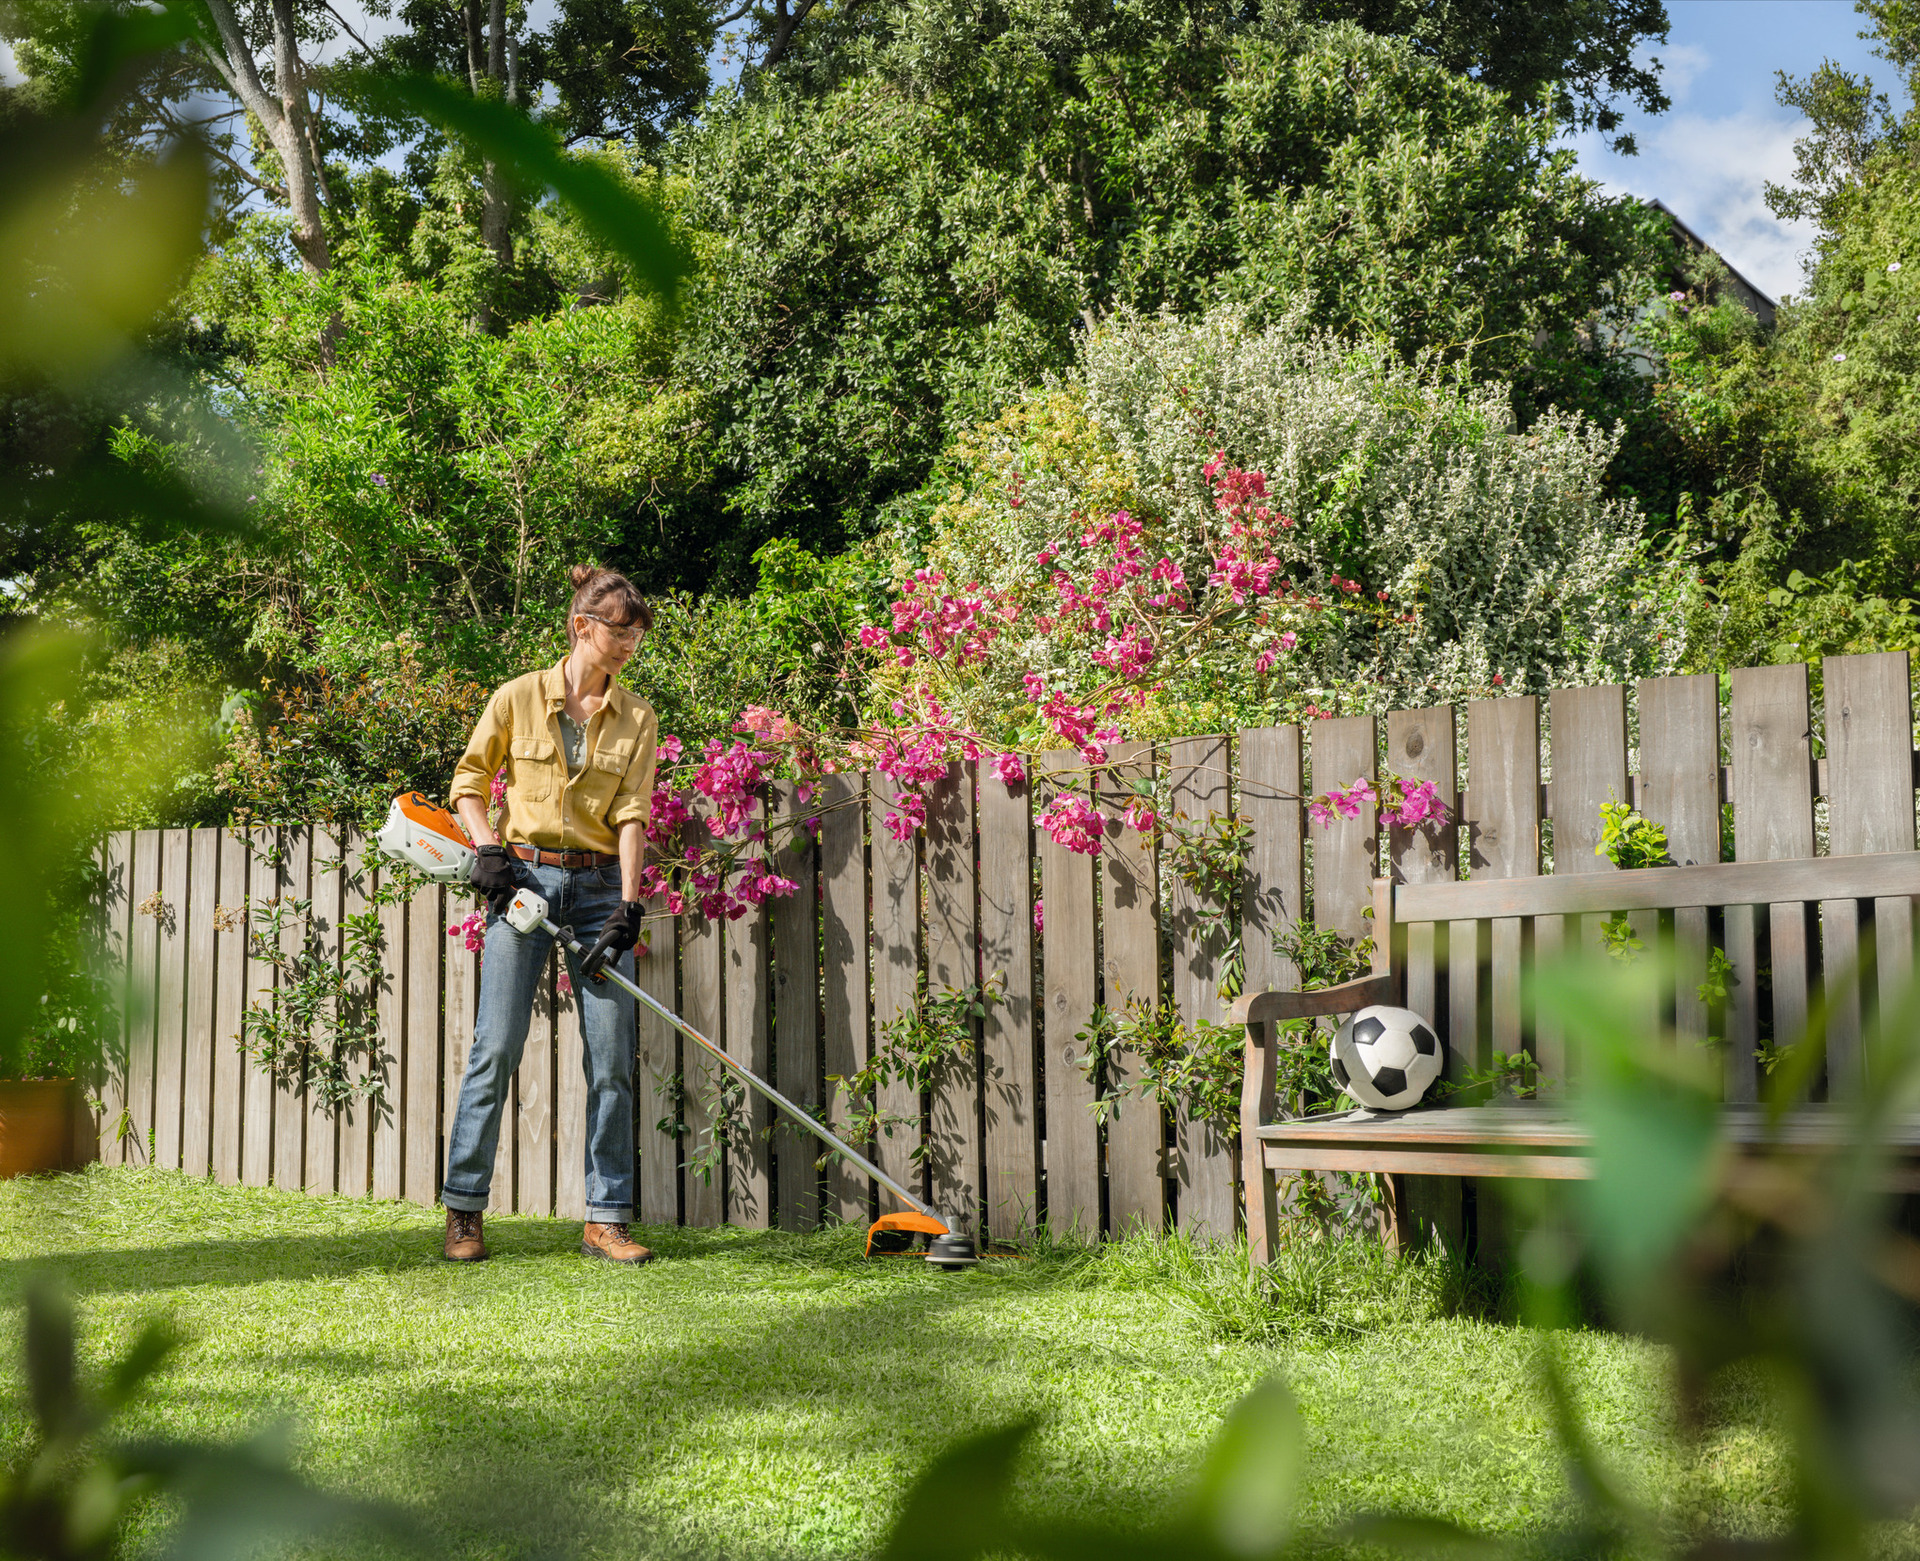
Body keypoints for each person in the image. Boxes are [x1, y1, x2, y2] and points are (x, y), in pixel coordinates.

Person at [440, 564, 660, 1264]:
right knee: (495, 1046)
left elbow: (630, 815)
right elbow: (469, 782)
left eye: (635, 636)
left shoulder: (638, 717)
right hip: (526, 882)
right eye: (617, 632)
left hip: (597, 887)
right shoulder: (515, 698)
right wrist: (489, 854)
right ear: (581, 626)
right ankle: (464, 1211)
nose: (627, 645)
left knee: (612, 1057)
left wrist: (628, 904)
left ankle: (606, 1218)